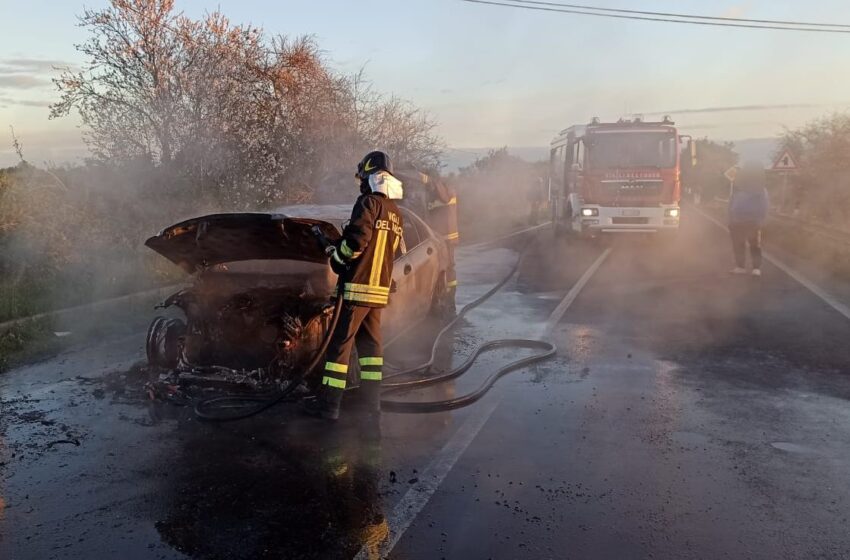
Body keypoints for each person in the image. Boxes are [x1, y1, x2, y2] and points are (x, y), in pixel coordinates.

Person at [302, 150, 404, 421]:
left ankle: (329, 407)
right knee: (371, 350)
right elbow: (392, 251)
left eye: (362, 177)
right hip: (378, 291)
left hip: (357, 287)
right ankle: (371, 405)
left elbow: (357, 241)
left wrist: (336, 256)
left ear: (370, 177)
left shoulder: (368, 203)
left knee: (340, 347)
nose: (360, 182)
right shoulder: (395, 212)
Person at [728, 160, 769, 277]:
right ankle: (750, 268)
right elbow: (732, 202)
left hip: (746, 221)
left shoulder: (758, 189)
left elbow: (732, 203)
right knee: (749, 244)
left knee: (747, 244)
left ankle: (748, 267)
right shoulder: (757, 188)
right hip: (744, 221)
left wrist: (730, 218)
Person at [423, 174, 459, 305]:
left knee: (448, 266)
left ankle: (450, 294)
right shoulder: (439, 194)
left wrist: (431, 181)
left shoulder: (448, 191)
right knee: (442, 266)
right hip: (440, 237)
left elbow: (444, 198)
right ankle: (443, 293)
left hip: (447, 237)